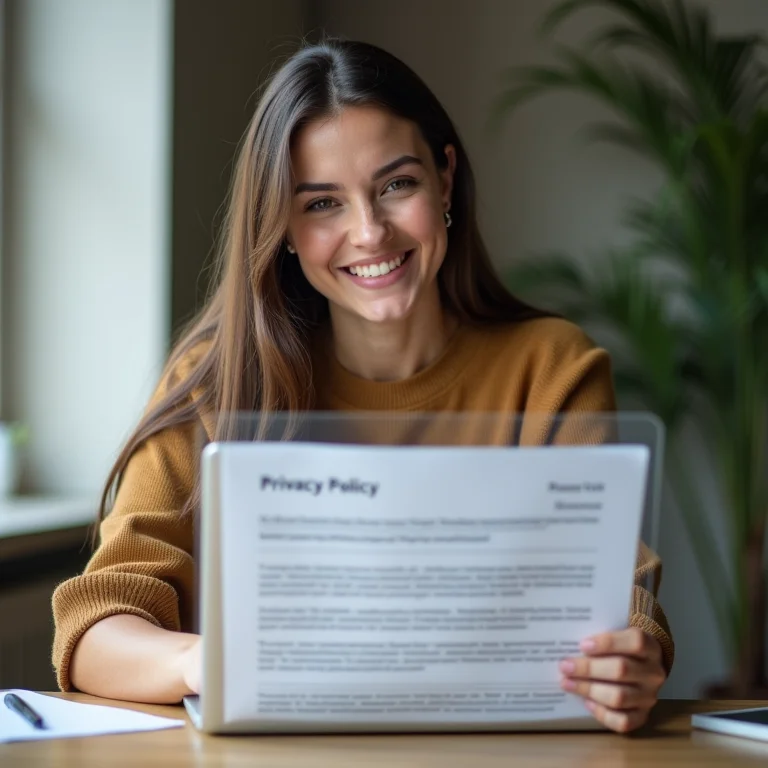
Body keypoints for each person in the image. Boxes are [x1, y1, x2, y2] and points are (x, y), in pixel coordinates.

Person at [52, 38, 672, 733]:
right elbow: (97, 629)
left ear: (444, 177)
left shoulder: (553, 367)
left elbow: (617, 599)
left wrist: (632, 656)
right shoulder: (218, 381)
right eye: (322, 204)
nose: (369, 232)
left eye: (395, 185)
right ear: (281, 225)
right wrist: (211, 663)